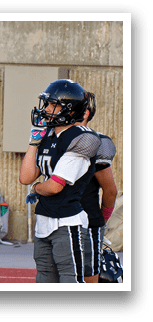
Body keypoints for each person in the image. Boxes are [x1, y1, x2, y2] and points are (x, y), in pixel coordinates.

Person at [19, 79, 99, 283]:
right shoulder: (48, 135)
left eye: (52, 105)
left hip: (67, 222)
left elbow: (54, 185)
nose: (46, 109)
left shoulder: (82, 138)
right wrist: (33, 142)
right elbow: (26, 177)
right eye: (46, 103)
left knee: (70, 281)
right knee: (45, 280)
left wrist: (36, 188)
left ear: (70, 111)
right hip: (44, 220)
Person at [75, 92, 117, 283]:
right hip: (57, 221)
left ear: (86, 112)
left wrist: (102, 220)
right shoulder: (54, 138)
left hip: (87, 221)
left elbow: (110, 190)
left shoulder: (96, 143)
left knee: (88, 277)